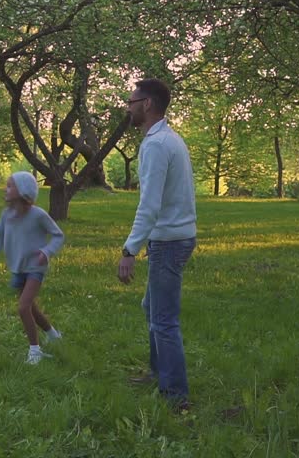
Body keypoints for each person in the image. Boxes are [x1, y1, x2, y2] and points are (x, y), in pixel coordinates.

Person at [118, 78, 197, 410]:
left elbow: (149, 205)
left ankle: (176, 396)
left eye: (131, 100)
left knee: (163, 318)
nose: (128, 106)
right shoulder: (170, 139)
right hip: (178, 236)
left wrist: (129, 250)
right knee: (151, 308)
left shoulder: (155, 144)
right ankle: (159, 372)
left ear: (147, 104)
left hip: (168, 240)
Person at [0, 171, 65, 365]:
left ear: (23, 191)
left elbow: (58, 235)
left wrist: (47, 251)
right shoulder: (7, 216)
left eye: (10, 185)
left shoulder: (38, 215)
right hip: (17, 268)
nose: (6, 188)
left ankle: (35, 351)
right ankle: (53, 335)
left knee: (23, 307)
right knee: (31, 308)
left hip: (36, 267)